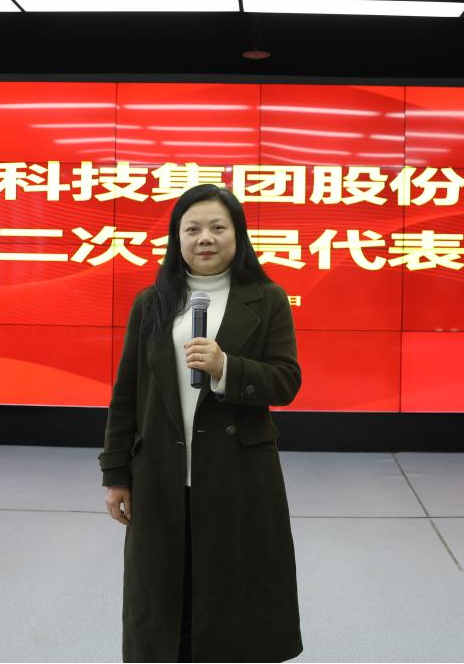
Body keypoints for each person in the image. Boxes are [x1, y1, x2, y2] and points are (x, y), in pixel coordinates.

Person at [99, 183, 304, 663]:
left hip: (238, 476)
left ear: (238, 234)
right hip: (160, 475)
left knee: (233, 595)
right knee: (164, 595)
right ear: (177, 238)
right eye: (192, 229)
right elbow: (126, 394)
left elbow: (286, 381)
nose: (204, 238)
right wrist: (116, 474)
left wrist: (226, 368)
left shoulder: (267, 298)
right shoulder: (152, 302)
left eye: (217, 227)